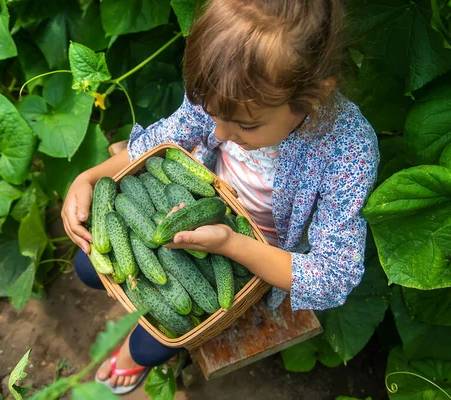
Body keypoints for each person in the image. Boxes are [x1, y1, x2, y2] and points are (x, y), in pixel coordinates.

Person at [62, 0, 379, 394]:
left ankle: (144, 351)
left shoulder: (348, 150)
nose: (222, 134)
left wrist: (230, 243)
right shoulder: (226, 87)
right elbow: (165, 138)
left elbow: (332, 277)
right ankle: (150, 325)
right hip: (185, 204)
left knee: (150, 343)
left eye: (246, 125)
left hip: (257, 253)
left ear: (313, 96)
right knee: (88, 267)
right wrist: (88, 178)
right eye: (211, 114)